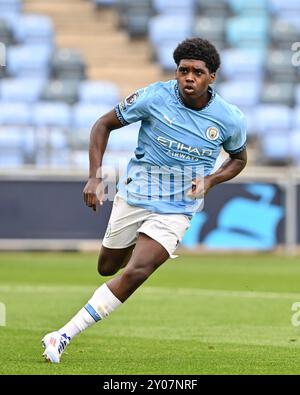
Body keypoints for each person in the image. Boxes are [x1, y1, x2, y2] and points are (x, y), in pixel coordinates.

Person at [41, 37, 247, 363]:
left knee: (138, 271)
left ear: (212, 77)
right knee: (107, 267)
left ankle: (62, 335)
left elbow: (238, 159)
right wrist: (95, 176)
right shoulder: (154, 97)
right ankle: (139, 241)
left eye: (197, 72)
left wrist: (211, 180)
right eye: (183, 71)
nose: (188, 78)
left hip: (178, 207)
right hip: (136, 195)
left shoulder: (229, 119)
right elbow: (103, 124)